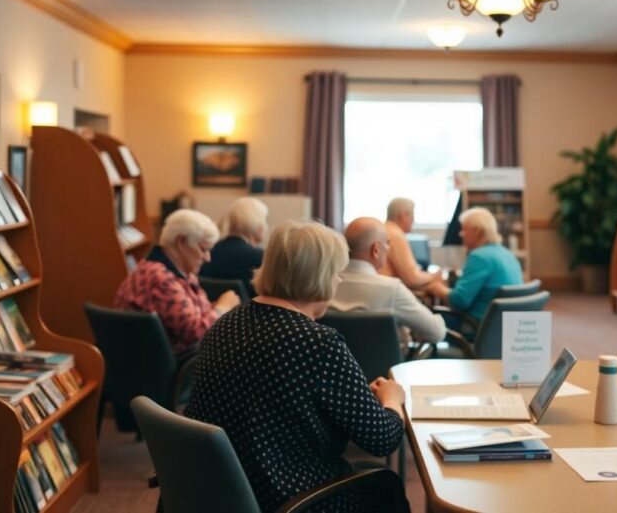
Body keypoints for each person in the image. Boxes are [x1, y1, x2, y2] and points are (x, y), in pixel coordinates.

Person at [184, 221, 406, 512]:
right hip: (288, 495)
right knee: (385, 485)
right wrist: (392, 399)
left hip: (221, 489)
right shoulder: (317, 342)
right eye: (337, 273)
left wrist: (354, 396)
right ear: (321, 277)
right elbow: (383, 439)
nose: (338, 282)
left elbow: (269, 401)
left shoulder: (226, 322)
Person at [114, 209, 240, 354]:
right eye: (204, 249)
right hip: (177, 366)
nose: (207, 258)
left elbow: (195, 315)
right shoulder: (159, 279)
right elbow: (196, 332)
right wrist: (223, 308)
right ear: (181, 242)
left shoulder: (177, 272)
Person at [330, 217, 447, 345]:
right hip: (386, 365)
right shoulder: (392, 289)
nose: (388, 248)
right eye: (387, 243)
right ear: (376, 250)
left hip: (334, 364)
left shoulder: (326, 285)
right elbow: (437, 332)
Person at [437, 207, 523, 321]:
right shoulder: (506, 253)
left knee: (430, 319)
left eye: (463, 229)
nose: (460, 234)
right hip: (505, 324)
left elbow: (459, 301)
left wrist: (437, 288)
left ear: (477, 231)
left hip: (478, 325)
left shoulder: (479, 257)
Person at [199, 196, 268, 298]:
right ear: (257, 226)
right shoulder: (261, 257)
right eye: (265, 220)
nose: (266, 226)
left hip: (212, 311)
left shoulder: (207, 253)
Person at [380, 197, 442, 291]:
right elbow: (412, 278)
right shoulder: (396, 234)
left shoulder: (383, 229)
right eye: (412, 215)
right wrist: (434, 276)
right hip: (388, 293)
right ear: (403, 215)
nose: (414, 220)